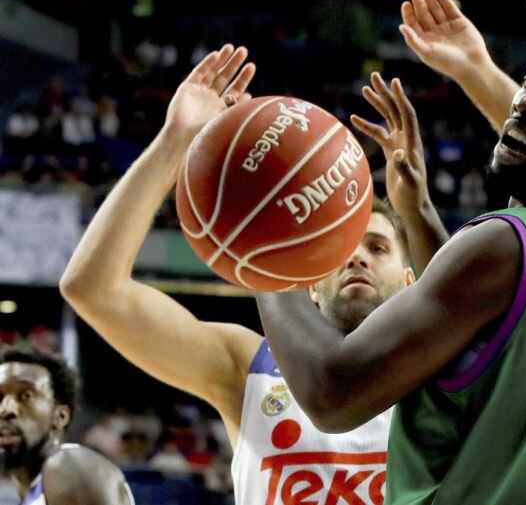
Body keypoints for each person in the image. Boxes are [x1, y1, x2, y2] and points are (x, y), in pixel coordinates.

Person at [253, 0, 526, 504]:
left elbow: (332, 396)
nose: (524, 105)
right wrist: (419, 209)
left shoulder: (504, 246)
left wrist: (265, 250)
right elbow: (475, 328)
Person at [59, 44, 446, 505]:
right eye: (341, 248)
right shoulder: (249, 368)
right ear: (310, 284)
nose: (357, 257)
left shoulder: (447, 378)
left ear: (410, 280)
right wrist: (176, 142)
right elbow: (92, 288)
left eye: (377, 247)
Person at [0, 343, 134, 505]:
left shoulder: (67, 466)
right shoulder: (41, 488)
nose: (5, 410)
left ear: (60, 416)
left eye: (26, 396)